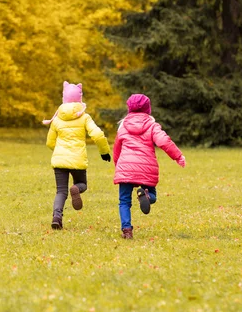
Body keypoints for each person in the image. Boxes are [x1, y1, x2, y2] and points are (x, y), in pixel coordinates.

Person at [113, 94, 186, 239]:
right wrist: (178, 156)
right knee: (152, 195)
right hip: (146, 168)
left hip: (126, 167)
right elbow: (164, 142)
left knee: (124, 201)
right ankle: (146, 196)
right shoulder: (152, 125)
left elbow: (117, 149)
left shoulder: (123, 127)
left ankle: (127, 230)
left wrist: (118, 166)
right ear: (148, 109)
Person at [43, 81, 111, 230]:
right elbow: (98, 135)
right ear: (80, 98)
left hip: (59, 161)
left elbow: (49, 142)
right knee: (82, 185)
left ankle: (57, 217)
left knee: (61, 191)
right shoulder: (84, 117)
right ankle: (76, 189)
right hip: (78, 159)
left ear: (64, 98)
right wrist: (104, 151)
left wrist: (60, 152)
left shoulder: (57, 119)